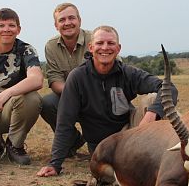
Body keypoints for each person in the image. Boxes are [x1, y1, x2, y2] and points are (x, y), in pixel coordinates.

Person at [37, 25, 178, 177]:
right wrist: (55, 164)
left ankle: (169, 158)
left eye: (110, 43)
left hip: (130, 134)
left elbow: (169, 88)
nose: (105, 48)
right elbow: (65, 122)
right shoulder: (77, 77)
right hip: (102, 145)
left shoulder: (128, 73)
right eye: (100, 43)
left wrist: (151, 114)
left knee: (152, 100)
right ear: (91, 47)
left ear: (118, 48)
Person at [0, 8, 43, 165]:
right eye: (1, 25)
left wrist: (5, 94)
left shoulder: (26, 50)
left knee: (32, 98)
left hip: (7, 110)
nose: (6, 29)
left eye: (11, 25)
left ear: (18, 29)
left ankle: (14, 145)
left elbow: (36, 79)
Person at [40, 3, 91, 156]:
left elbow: (116, 66)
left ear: (79, 20)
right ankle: (72, 141)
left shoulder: (95, 38)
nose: (67, 23)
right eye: (62, 20)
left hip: (97, 97)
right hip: (69, 96)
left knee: (102, 153)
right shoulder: (51, 46)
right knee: (47, 103)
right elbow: (54, 79)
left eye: (71, 18)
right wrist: (74, 93)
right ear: (56, 25)